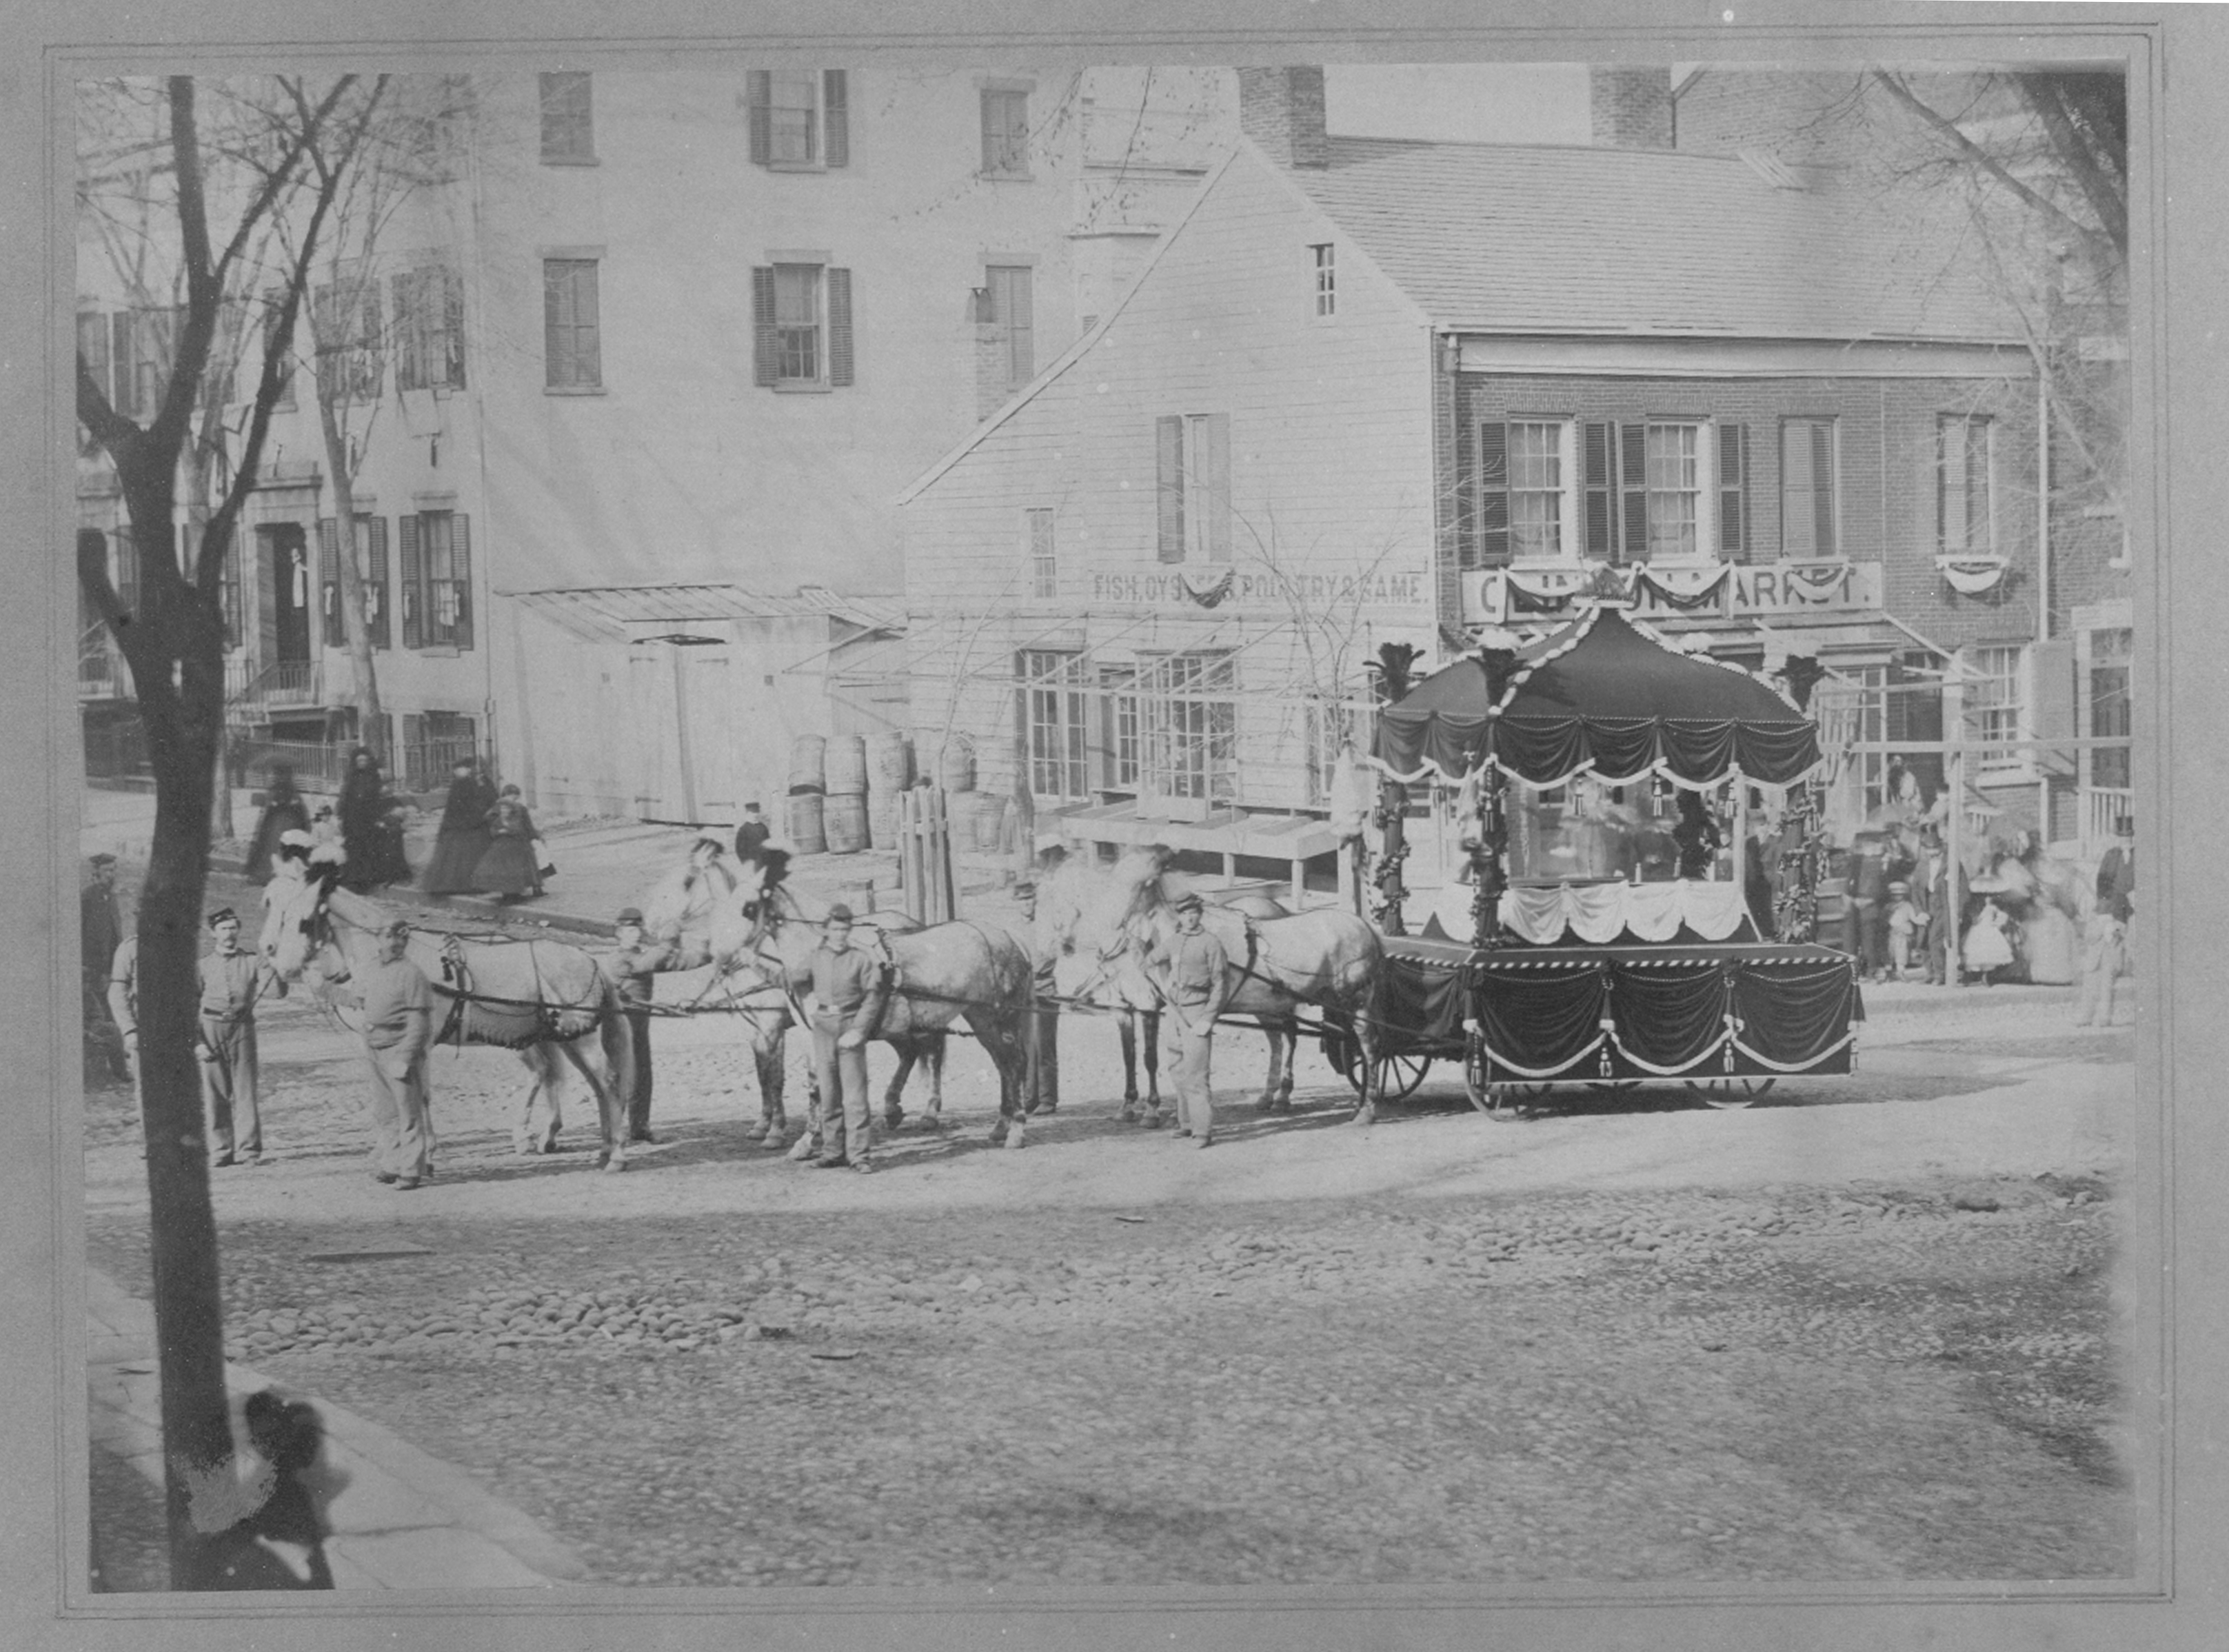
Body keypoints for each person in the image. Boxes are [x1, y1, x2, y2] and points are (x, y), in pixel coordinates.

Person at [209, 1391, 349, 1591]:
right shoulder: (281, 1469)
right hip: (291, 1530)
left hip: (287, 1530)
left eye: (262, 1436)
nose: (256, 1442)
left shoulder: (281, 1473)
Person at [198, 907, 281, 1167]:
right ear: (213, 933)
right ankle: (221, 1150)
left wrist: (271, 962)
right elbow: (186, 1007)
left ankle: (249, 1151)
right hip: (210, 1029)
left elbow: (277, 992)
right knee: (215, 1093)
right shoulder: (202, 966)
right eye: (223, 929)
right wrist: (197, 1043)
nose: (229, 934)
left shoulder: (252, 961)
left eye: (233, 928)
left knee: (245, 1091)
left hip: (242, 1029)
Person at [357, 916, 436, 1189]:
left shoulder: (412, 973)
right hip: (374, 1048)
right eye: (390, 937)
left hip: (398, 1048)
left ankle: (412, 1170)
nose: (397, 944)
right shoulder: (370, 969)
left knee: (408, 1113)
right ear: (377, 939)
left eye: (402, 938)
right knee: (386, 1112)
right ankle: (392, 1163)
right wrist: (322, 986)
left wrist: (405, 1056)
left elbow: (421, 1022)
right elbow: (358, 1000)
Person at [807, 904, 885, 1172]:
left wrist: (859, 1031)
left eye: (844, 929)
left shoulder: (861, 959)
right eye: (835, 929)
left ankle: (859, 1156)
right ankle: (832, 1152)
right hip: (823, 1028)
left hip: (850, 1025)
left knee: (855, 1098)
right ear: (826, 930)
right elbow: (793, 981)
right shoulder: (814, 957)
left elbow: (873, 998)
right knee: (828, 1094)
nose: (840, 934)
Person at [1160, 891, 1231, 1149]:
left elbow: (1221, 985)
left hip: (1196, 1012)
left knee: (1196, 1074)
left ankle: (1203, 1131)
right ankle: (1186, 1123)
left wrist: (1208, 1018)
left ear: (1200, 915)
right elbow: (1149, 960)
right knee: (1176, 1067)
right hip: (1174, 1012)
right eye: (1185, 914)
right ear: (1178, 917)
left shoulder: (1211, 943)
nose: (1190, 918)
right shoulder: (1174, 940)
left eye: (1194, 913)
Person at [605, 906, 672, 1145]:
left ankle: (640, 1127)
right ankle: (613, 1131)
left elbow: (667, 962)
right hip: (623, 1024)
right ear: (619, 933)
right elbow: (647, 963)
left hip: (641, 1022)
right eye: (629, 929)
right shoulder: (619, 958)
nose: (635, 933)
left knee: (643, 1075)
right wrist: (669, 939)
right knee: (622, 1075)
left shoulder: (640, 954)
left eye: (637, 929)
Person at [1014, 880, 1059, 1116]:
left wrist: (1030, 973)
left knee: (1044, 1047)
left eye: (1030, 899)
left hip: (1044, 992)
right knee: (1025, 1047)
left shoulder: (1045, 927)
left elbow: (1050, 957)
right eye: (1022, 900)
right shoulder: (1012, 930)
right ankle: (1029, 1098)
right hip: (1021, 995)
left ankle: (1048, 1099)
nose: (1027, 905)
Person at [421, 756, 496, 896]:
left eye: (459, 769)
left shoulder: (484, 782)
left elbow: (491, 798)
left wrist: (484, 813)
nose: (456, 772)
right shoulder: (460, 784)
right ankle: (460, 885)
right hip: (461, 824)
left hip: (477, 823)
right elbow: (455, 805)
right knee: (459, 856)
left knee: (472, 855)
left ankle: (477, 883)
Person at [338, 747, 407, 890]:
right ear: (355, 762)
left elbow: (379, 799)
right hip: (353, 818)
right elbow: (344, 798)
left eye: (364, 760)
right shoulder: (351, 777)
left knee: (368, 847)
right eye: (359, 760)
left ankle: (367, 879)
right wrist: (341, 815)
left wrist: (378, 817)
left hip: (368, 818)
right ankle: (354, 880)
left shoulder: (374, 777)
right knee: (354, 848)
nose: (362, 763)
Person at [472, 784, 543, 902]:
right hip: (516, 842)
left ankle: (512, 893)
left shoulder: (496, 807)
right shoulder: (518, 808)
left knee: (509, 869)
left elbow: (487, 820)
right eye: (514, 797)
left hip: (507, 843)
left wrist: (499, 830)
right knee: (524, 867)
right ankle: (527, 890)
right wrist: (535, 836)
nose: (513, 800)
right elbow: (527, 826)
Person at [243, 765, 311, 884]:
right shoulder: (290, 789)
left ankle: (270, 874)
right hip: (283, 822)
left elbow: (279, 804)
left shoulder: (282, 788)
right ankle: (276, 873)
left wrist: (274, 804)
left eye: (280, 773)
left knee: (275, 847)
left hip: (278, 823)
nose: (279, 776)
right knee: (276, 848)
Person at [106, 923, 140, 1091]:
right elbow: (117, 992)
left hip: (175, 1027)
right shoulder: (130, 948)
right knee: (148, 1086)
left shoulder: (178, 945)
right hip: (143, 1028)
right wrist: (129, 1030)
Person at [2096, 816, 2135, 924]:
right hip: (2115, 898)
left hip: (2134, 898)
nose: (2126, 840)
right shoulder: (2111, 855)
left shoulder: (2138, 854)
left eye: (2129, 836)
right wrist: (2104, 899)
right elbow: (2102, 880)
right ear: (2118, 838)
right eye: (2122, 837)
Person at [734, 802, 771, 868]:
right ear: (747, 814)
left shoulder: (763, 827)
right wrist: (746, 863)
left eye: (756, 813)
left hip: (764, 862)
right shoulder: (743, 830)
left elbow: (769, 844)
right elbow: (740, 849)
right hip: (750, 863)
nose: (755, 815)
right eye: (752, 813)